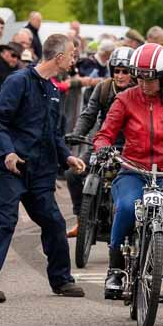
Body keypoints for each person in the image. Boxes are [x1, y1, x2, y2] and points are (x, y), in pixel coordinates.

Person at [0, 34, 87, 302]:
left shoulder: (52, 89)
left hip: (41, 171)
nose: (75, 59)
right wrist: (8, 152)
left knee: (54, 222)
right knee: (3, 223)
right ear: (59, 57)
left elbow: (53, 132)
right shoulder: (18, 81)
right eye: (72, 54)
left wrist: (67, 157)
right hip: (12, 170)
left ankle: (62, 281)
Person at [94, 43, 163, 300]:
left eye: (151, 79)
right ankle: (116, 270)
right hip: (132, 170)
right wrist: (103, 149)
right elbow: (104, 134)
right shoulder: (124, 99)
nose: (144, 84)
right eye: (140, 77)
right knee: (128, 209)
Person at [65, 46, 136, 236]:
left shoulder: (139, 91)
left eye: (125, 71)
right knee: (73, 174)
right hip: (102, 144)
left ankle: (136, 223)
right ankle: (81, 219)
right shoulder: (103, 88)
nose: (120, 76)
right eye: (117, 71)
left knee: (135, 182)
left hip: (130, 148)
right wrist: (76, 135)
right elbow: (88, 115)